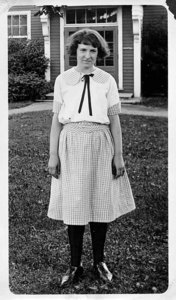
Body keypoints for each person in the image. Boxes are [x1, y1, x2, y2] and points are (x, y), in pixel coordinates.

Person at [47, 28, 135, 287]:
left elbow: (115, 121)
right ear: (75, 51)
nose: (87, 55)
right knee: (74, 204)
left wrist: (118, 155)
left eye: (93, 50)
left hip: (101, 143)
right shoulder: (63, 80)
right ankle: (75, 265)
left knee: (100, 201)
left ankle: (99, 261)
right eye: (83, 49)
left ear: (99, 53)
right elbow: (56, 121)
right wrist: (53, 155)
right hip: (71, 142)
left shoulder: (107, 80)